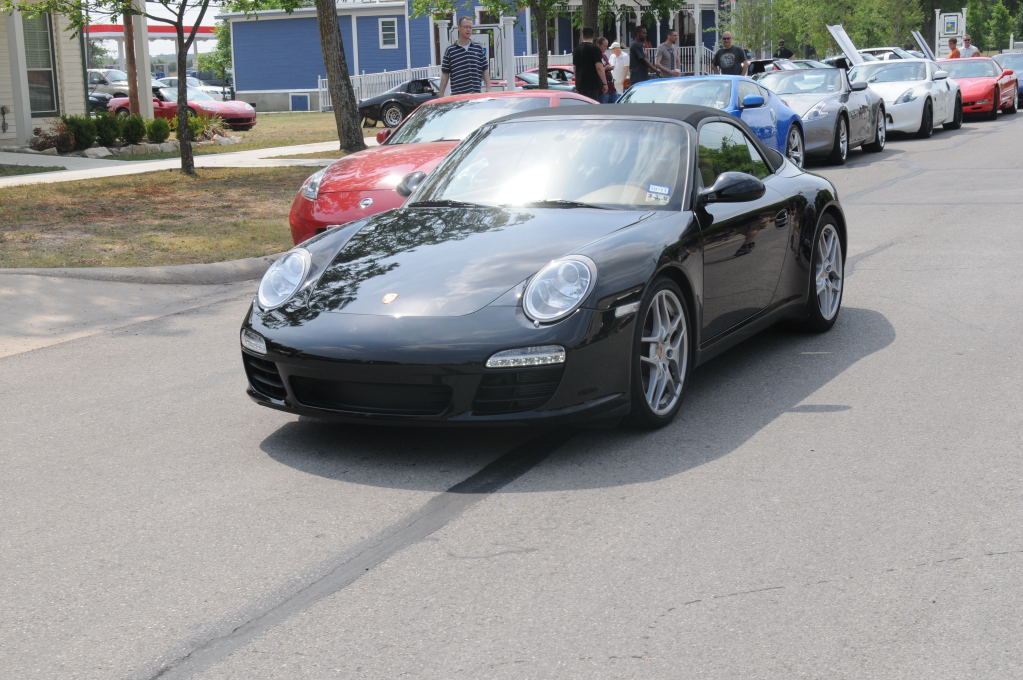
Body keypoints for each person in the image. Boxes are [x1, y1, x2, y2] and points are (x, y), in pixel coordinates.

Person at [439, 16, 492, 96]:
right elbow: (445, 74)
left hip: (476, 96)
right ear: (459, 28)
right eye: (466, 27)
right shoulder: (450, 50)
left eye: (470, 27)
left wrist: (488, 88)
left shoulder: (478, 48)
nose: (468, 30)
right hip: (459, 98)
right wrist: (441, 94)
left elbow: (484, 69)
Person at [572, 27, 607, 102]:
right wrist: (605, 83)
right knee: (593, 106)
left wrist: (577, 83)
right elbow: (599, 68)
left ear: (582, 35)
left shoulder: (576, 49)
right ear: (593, 36)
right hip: (593, 85)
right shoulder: (595, 49)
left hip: (580, 85)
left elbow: (575, 68)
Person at [596, 37, 618, 102]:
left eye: (607, 46)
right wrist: (606, 68)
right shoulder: (596, 56)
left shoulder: (604, 55)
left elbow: (608, 65)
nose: (606, 48)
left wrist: (610, 67)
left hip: (611, 86)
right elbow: (598, 70)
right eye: (604, 46)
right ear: (599, 45)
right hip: (603, 88)